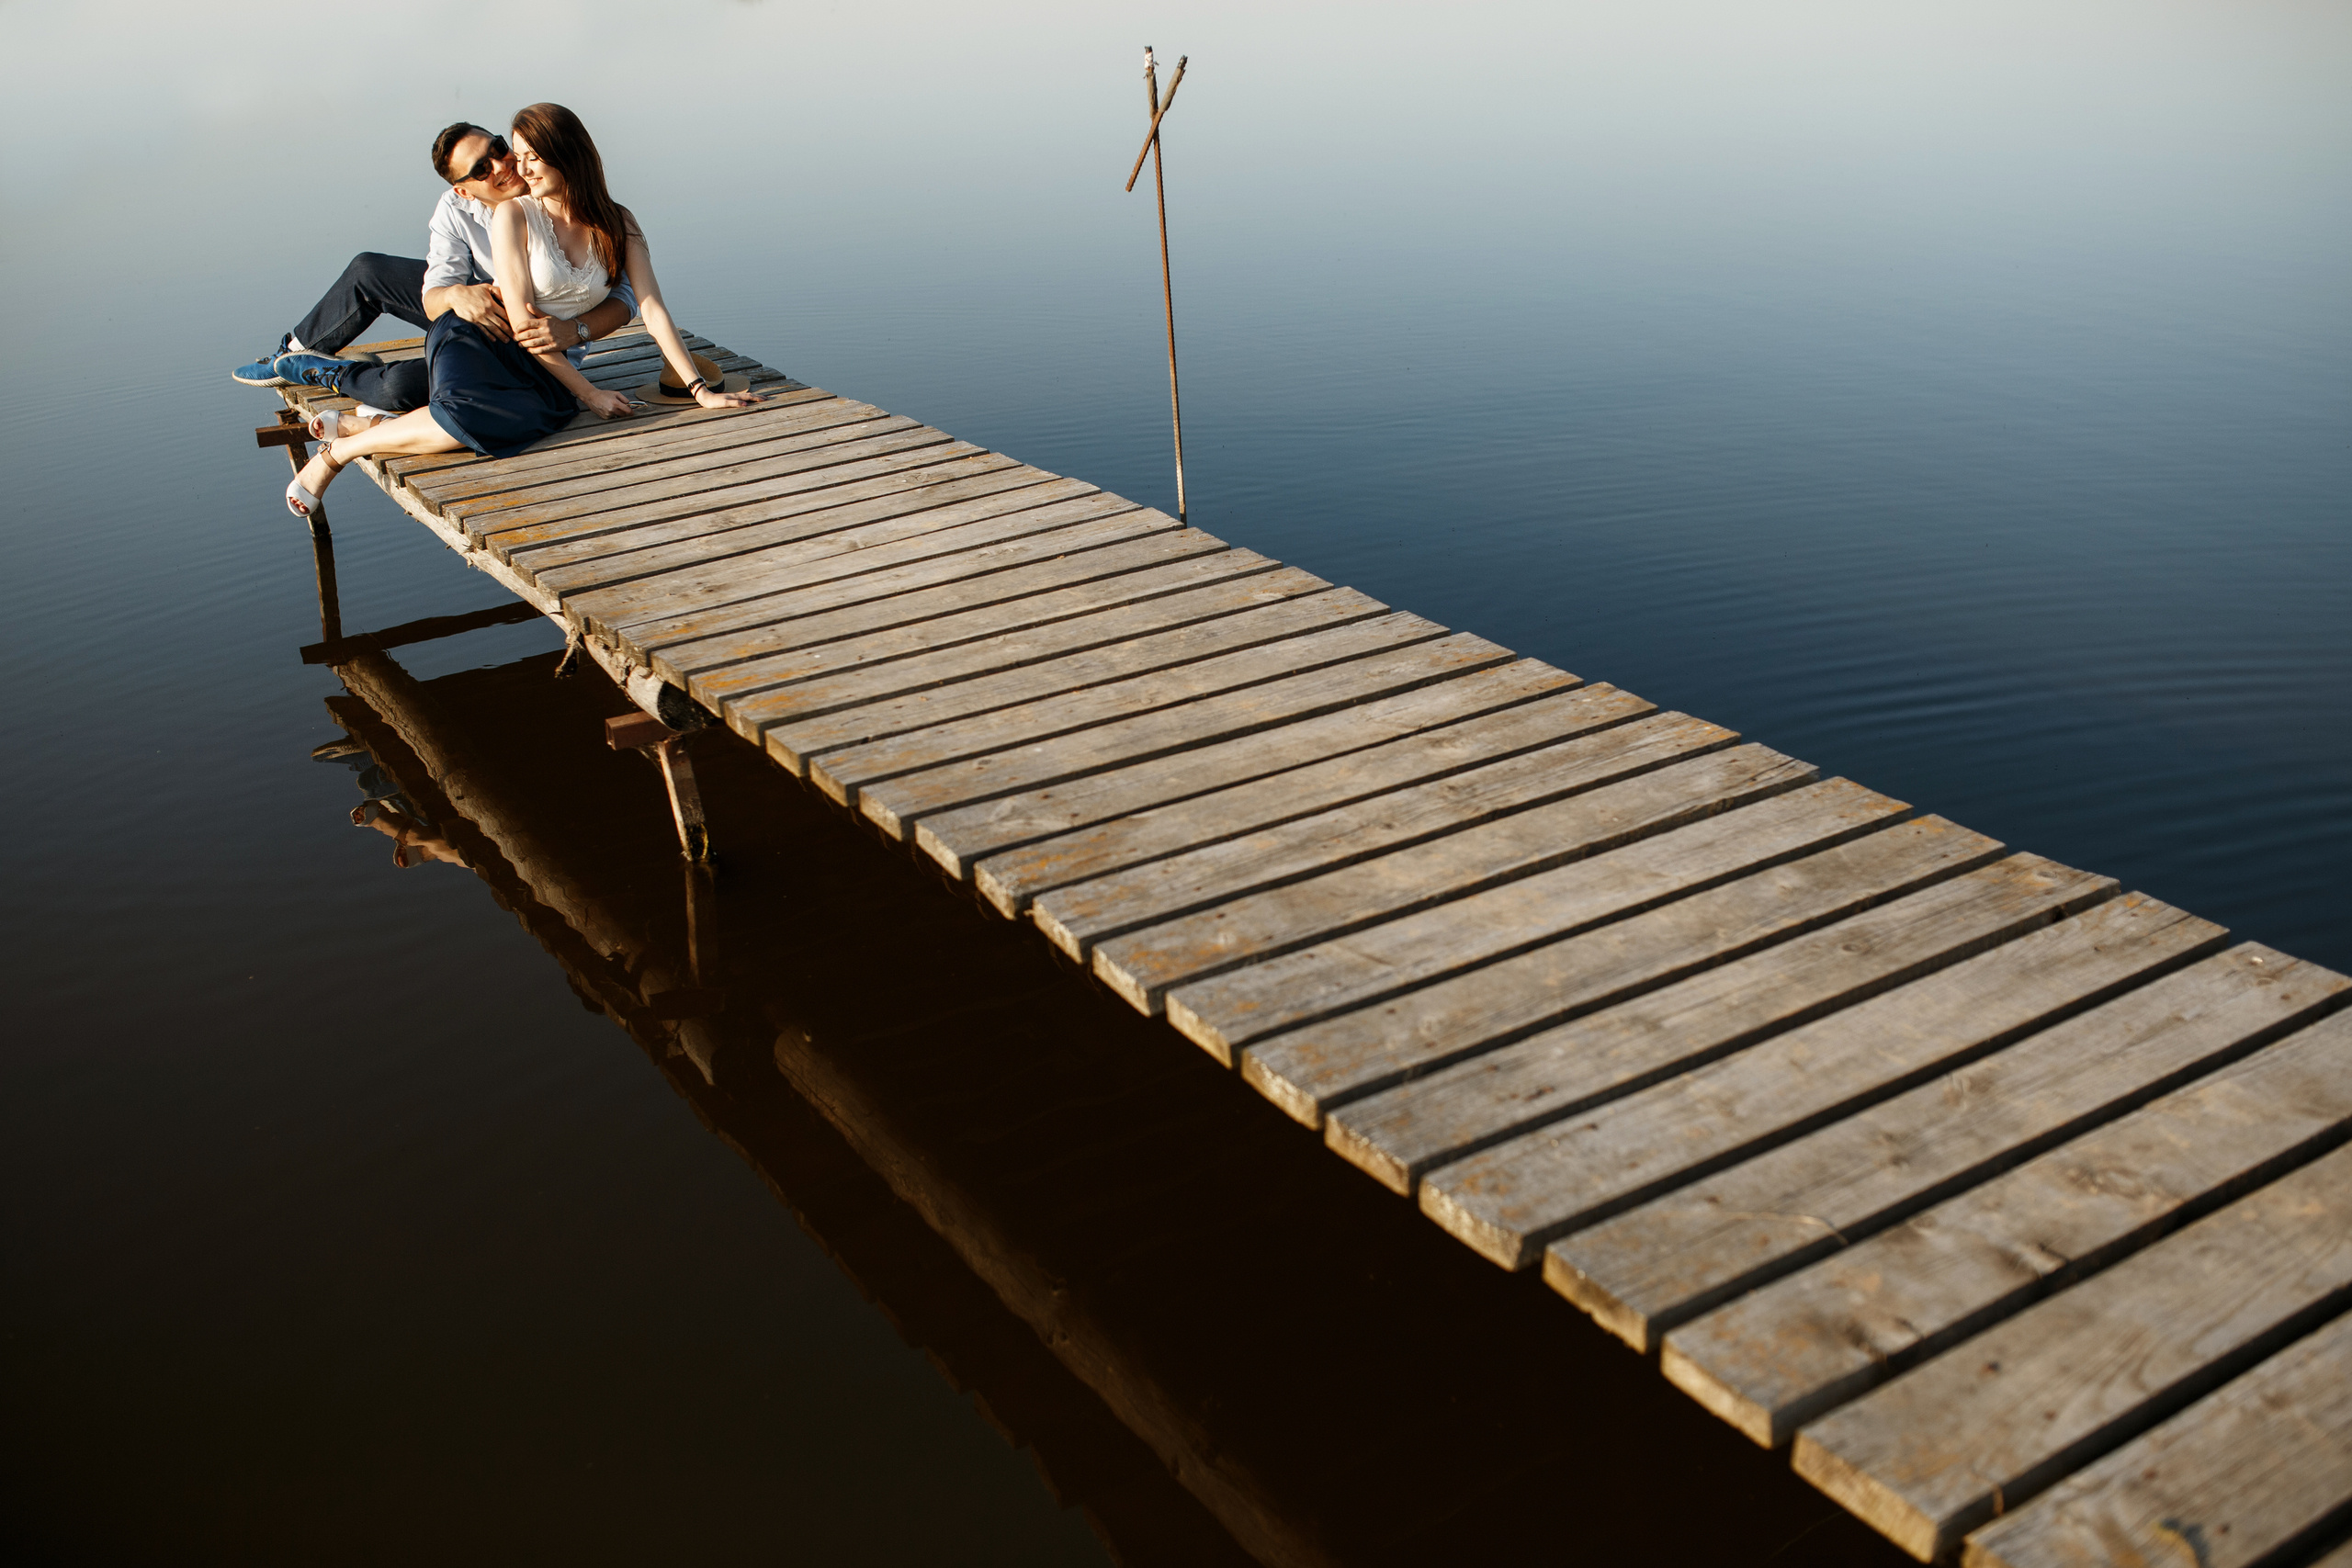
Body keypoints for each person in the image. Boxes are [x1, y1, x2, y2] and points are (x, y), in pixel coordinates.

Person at [284, 103, 762, 519]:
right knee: (460, 410)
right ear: (463, 188)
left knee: (514, 421)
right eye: (520, 155)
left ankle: (368, 426)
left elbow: (651, 307)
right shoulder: (514, 215)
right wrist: (590, 394)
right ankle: (337, 454)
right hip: (482, 337)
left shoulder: (620, 221)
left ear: (569, 153)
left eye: (527, 155)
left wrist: (700, 392)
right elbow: (522, 322)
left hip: (546, 363)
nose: (521, 168)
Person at [230, 122, 638, 424]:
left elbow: (627, 296)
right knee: (368, 269)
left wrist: (577, 330)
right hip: (482, 316)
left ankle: (335, 372)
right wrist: (459, 296)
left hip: (541, 342)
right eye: (481, 169)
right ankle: (294, 350)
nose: (502, 165)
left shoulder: (551, 185)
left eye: (498, 149)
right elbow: (433, 295)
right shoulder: (455, 208)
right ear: (463, 189)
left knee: (398, 389)